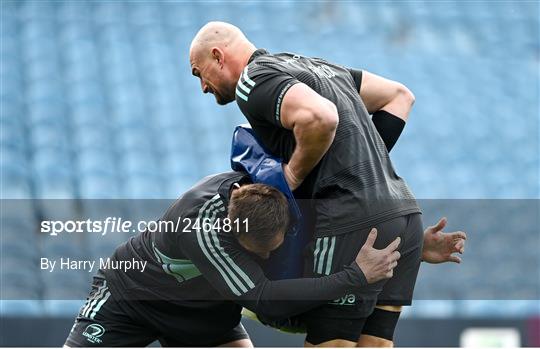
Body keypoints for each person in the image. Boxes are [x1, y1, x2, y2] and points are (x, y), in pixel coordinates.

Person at [189, 21, 466, 347]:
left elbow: (320, 117)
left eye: (199, 73)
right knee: (375, 344)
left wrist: (293, 176)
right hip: (403, 216)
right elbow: (399, 97)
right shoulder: (318, 67)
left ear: (218, 56)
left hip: (351, 221)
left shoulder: (253, 78)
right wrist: (356, 171)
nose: (203, 87)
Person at [64, 172, 402, 347]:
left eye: (274, 248)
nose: (269, 257)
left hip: (204, 314)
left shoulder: (266, 197)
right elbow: (265, 300)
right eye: (259, 252)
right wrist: (356, 276)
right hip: (130, 299)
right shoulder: (201, 228)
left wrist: (412, 240)